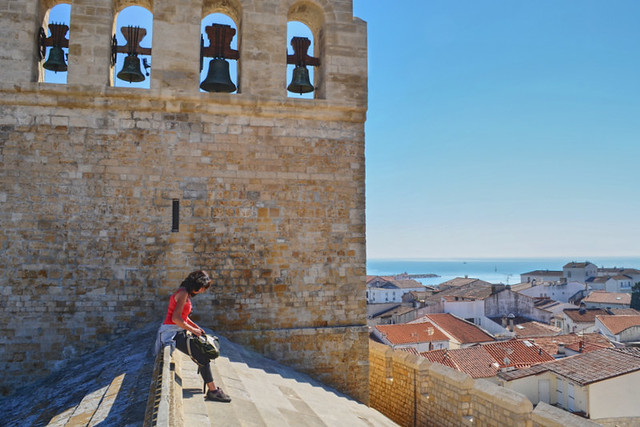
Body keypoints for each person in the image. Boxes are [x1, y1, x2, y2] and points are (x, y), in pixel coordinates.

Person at [155, 270, 231, 402]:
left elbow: (183, 317)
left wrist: (195, 327)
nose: (202, 291)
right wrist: (193, 330)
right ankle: (213, 391)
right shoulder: (183, 293)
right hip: (171, 333)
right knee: (200, 353)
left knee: (202, 350)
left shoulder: (185, 292)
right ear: (197, 284)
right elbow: (176, 318)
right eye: (202, 288)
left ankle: (212, 388)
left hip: (178, 330)